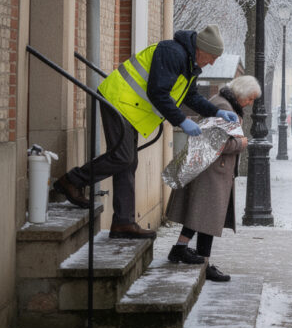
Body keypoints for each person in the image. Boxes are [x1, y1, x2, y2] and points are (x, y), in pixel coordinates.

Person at [52, 25, 238, 239]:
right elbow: (158, 92)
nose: (212, 62)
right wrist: (181, 120)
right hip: (117, 100)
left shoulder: (189, 64)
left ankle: (123, 223)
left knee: (128, 162)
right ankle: (73, 180)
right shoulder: (172, 53)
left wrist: (216, 112)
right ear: (201, 48)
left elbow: (190, 96)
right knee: (123, 157)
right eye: (212, 56)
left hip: (130, 109)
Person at [164, 75, 260, 282]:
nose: (251, 103)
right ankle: (203, 262)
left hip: (213, 170)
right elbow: (215, 143)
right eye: (250, 98)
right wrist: (241, 144)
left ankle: (180, 248)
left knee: (203, 214)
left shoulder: (224, 103)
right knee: (208, 217)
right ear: (241, 93)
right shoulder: (222, 105)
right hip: (212, 170)